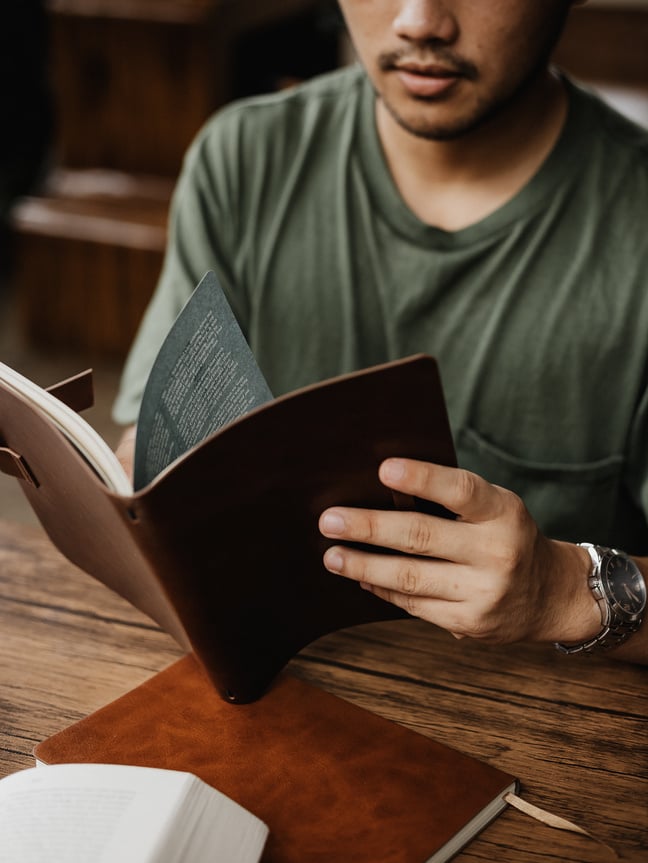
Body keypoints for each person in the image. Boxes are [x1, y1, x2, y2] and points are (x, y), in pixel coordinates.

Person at [113, 0, 648, 663]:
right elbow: (148, 447)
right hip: (285, 691)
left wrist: (562, 589)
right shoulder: (244, 159)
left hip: (564, 728)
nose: (420, 21)